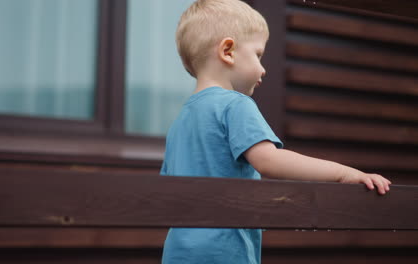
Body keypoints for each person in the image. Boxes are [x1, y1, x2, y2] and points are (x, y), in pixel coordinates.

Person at [159, 0, 392, 263]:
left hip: (178, 254)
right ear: (228, 51)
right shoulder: (235, 104)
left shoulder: (180, 121)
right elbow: (269, 160)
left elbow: (169, 191)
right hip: (222, 252)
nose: (263, 68)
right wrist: (343, 173)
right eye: (258, 55)